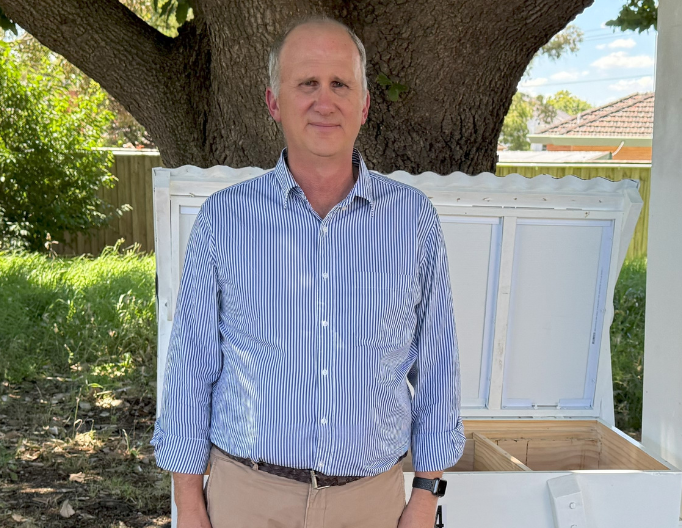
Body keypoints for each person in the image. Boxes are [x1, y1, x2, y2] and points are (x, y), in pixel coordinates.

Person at [150, 16, 464, 528]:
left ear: (363, 104)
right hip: (247, 499)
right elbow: (191, 366)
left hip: (372, 503)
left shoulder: (413, 220)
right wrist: (189, 502)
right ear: (274, 103)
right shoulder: (224, 220)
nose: (325, 100)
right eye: (306, 84)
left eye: (340, 83)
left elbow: (436, 366)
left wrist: (426, 496)